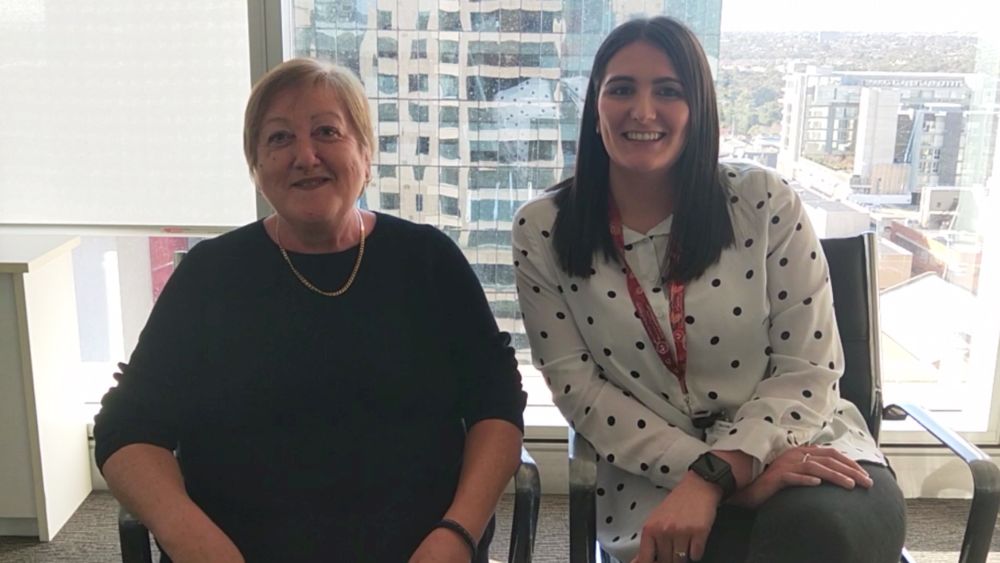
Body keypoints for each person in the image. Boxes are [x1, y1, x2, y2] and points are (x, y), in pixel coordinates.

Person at [94, 58, 526, 563]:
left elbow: (495, 401)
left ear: (366, 155)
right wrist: (190, 537)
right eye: (279, 139)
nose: (305, 156)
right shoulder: (210, 275)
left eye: (327, 132)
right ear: (256, 168)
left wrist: (456, 534)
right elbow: (127, 426)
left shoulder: (428, 261)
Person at [513, 17, 905, 563]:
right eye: (621, 88)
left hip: (803, 446)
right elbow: (580, 391)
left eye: (668, 91)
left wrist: (720, 473)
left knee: (820, 541)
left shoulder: (764, 201)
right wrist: (710, 475)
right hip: (653, 477)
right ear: (595, 108)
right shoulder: (543, 231)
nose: (642, 111)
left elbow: (808, 369)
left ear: (697, 108)